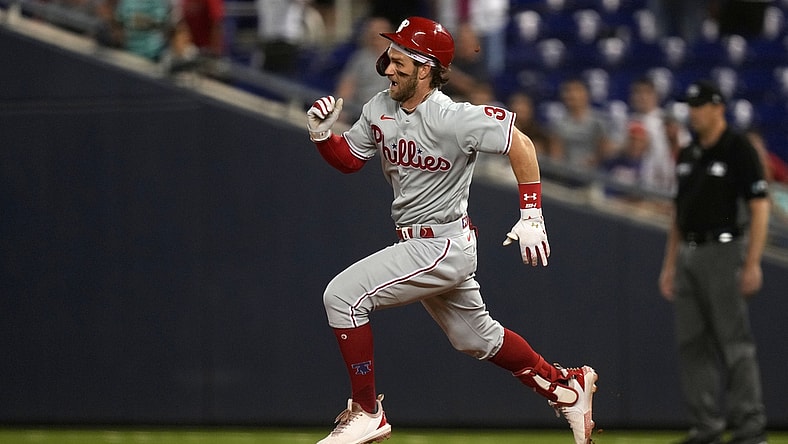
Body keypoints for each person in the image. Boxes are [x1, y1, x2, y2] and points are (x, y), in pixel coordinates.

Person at [305, 16, 598, 444]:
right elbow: (350, 159)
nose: (388, 66)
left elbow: (521, 143)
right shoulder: (378, 107)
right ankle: (565, 388)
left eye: (400, 60)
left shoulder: (454, 116)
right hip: (419, 242)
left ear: (425, 68)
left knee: (343, 296)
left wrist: (531, 212)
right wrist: (321, 136)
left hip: (441, 242)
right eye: (390, 57)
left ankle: (368, 411)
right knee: (475, 338)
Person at [658, 80, 770, 444]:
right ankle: (706, 426)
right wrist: (669, 264)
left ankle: (750, 426)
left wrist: (752, 262)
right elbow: (678, 212)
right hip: (689, 251)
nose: (693, 113)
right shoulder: (688, 154)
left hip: (725, 250)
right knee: (692, 342)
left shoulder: (738, 148)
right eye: (690, 106)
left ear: (718, 107)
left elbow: (760, 205)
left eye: (699, 105)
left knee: (733, 340)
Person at [334, 16, 394, 121]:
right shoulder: (360, 58)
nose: (375, 36)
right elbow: (346, 87)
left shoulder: (400, 60)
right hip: (359, 113)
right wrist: (339, 113)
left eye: (379, 33)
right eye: (372, 33)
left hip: (389, 115)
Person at [628, 76, 676, 195]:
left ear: (656, 96)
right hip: (637, 184)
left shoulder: (668, 122)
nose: (642, 97)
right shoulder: (630, 121)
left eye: (647, 92)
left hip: (665, 185)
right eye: (638, 92)